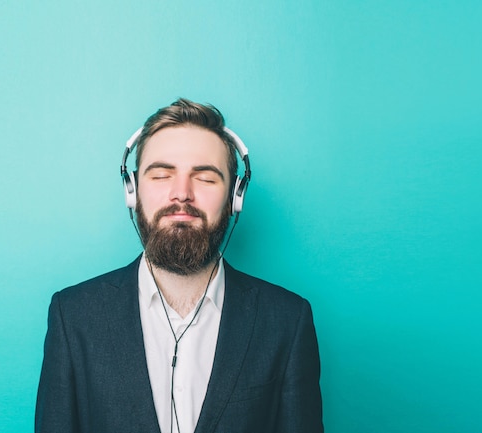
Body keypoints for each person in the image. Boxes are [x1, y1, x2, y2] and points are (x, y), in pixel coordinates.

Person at [35, 98, 323, 433]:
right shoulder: (73, 316)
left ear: (235, 197)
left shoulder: (287, 320)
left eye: (204, 177)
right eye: (161, 175)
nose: (181, 194)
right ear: (133, 191)